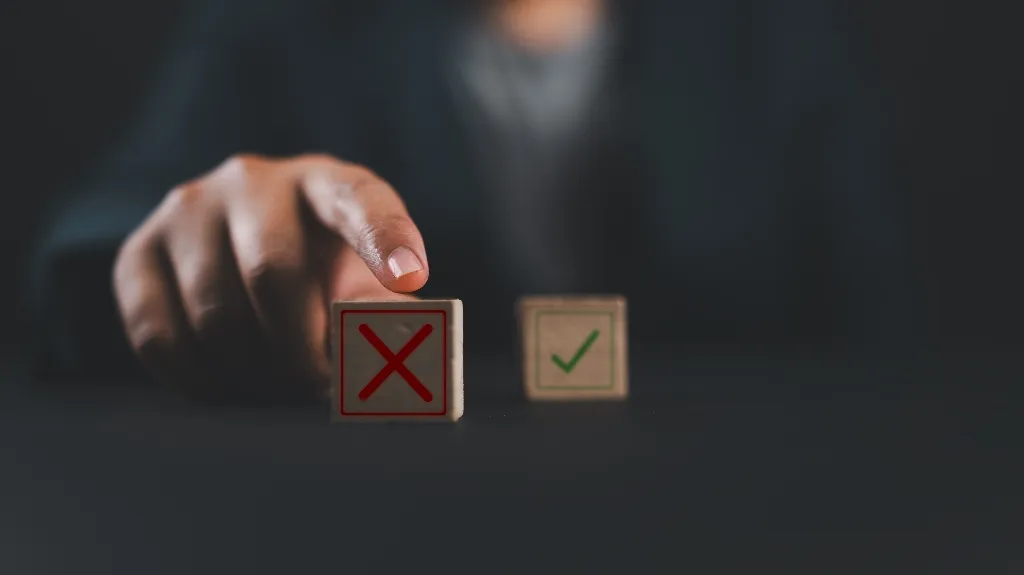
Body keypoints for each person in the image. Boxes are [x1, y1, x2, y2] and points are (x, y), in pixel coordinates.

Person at [27, 0, 918, 401]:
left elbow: (887, 327)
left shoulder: (780, 31)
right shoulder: (277, 26)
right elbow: (96, 245)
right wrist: (183, 252)